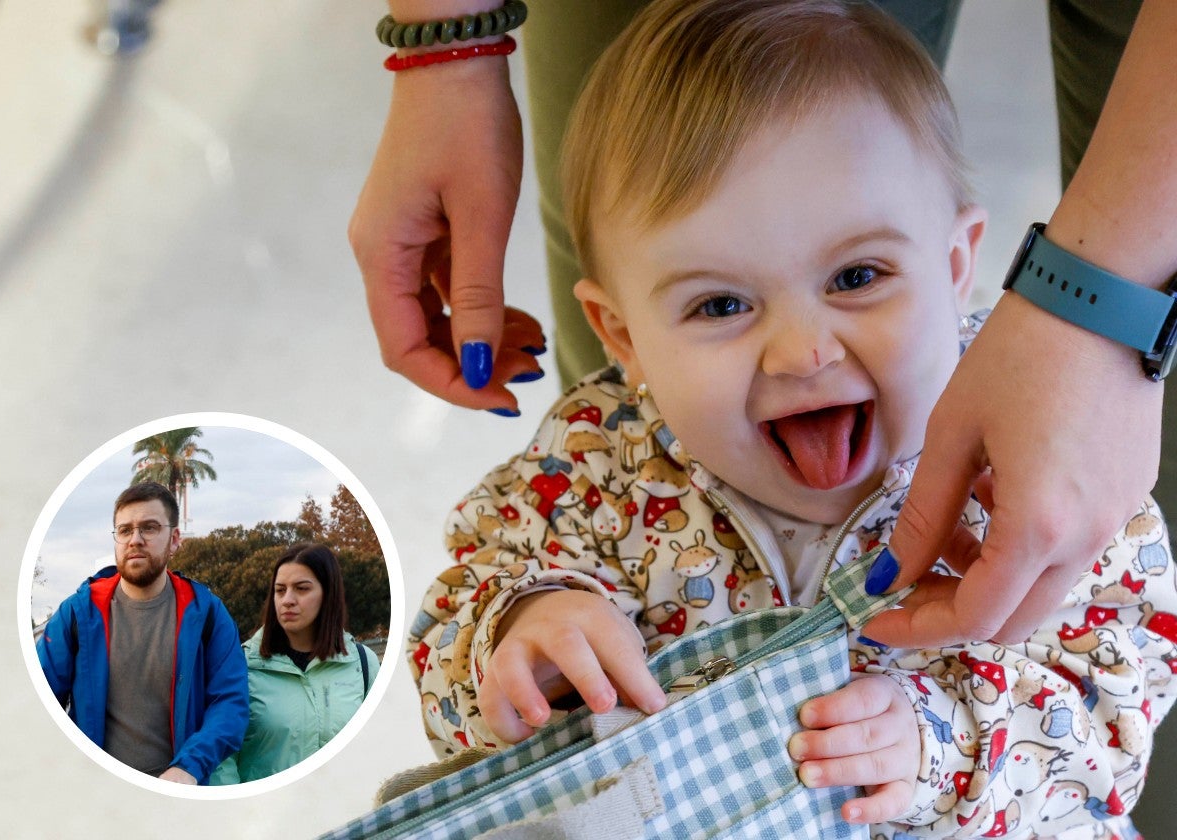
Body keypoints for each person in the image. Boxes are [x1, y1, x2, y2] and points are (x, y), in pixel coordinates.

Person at [407, 1, 1177, 836]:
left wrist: (939, 745)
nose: (802, 351)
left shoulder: (1039, 449)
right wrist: (520, 630)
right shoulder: (595, 462)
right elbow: (452, 636)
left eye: (857, 277)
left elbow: (1119, 706)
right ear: (621, 335)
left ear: (956, 265)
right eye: (721, 303)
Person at [36, 481, 248, 785]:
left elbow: (230, 703)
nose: (135, 540)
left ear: (174, 539)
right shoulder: (78, 613)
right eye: (124, 530)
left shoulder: (208, 614)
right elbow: (38, 698)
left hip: (180, 791)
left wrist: (189, 766)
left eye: (149, 528)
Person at [210, 543, 380, 784]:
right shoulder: (239, 667)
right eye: (280, 590)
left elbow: (380, 745)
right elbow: (221, 761)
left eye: (301, 589)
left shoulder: (363, 665)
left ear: (328, 594)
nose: (287, 600)